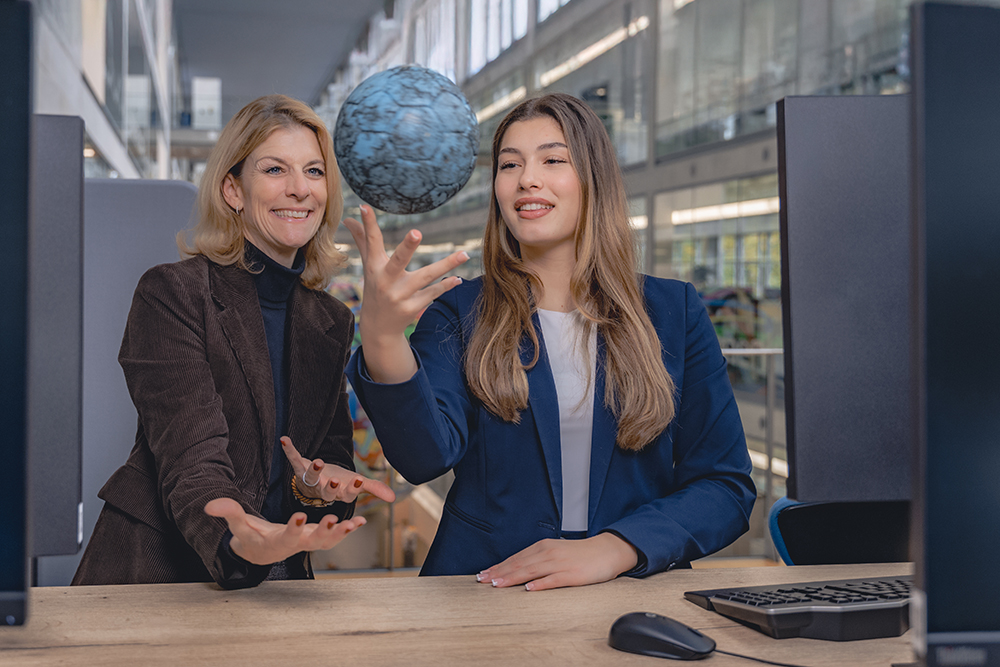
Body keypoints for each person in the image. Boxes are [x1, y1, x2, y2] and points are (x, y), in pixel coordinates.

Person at [343, 93, 755, 591]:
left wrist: (616, 547)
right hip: (485, 590)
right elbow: (424, 457)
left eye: (553, 160)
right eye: (509, 164)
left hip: (631, 588)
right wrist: (383, 336)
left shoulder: (674, 311)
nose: (526, 179)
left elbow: (724, 485)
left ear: (593, 179)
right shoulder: (461, 312)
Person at [73, 95, 394, 589]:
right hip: (164, 572)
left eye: (313, 171)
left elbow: (329, 459)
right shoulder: (174, 293)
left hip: (279, 573)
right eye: (274, 170)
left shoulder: (329, 319)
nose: (298, 189)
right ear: (233, 189)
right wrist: (238, 535)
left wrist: (316, 485)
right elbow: (192, 455)